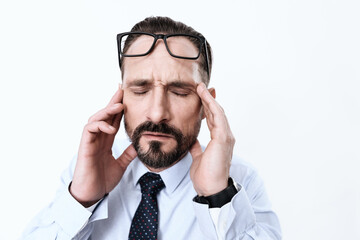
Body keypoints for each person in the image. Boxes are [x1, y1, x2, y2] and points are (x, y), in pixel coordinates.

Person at [22, 16, 281, 240]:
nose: (157, 113)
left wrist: (217, 196)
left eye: (179, 92)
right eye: (141, 90)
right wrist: (81, 201)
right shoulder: (86, 171)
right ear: (121, 96)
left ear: (206, 104)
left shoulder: (239, 182)